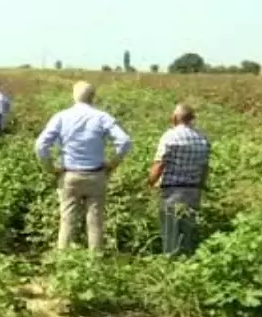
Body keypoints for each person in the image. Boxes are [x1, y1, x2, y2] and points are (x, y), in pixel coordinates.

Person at [35, 81, 133, 253]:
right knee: (95, 222)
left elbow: (40, 145)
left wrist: (50, 168)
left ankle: (64, 261)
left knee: (67, 221)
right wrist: (112, 164)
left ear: (73, 96)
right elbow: (124, 142)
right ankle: (94, 263)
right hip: (96, 175)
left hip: (70, 175)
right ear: (93, 97)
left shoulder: (61, 117)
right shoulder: (102, 117)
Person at [148, 104, 211, 256]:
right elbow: (204, 167)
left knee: (170, 231)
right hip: (193, 189)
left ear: (175, 118)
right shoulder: (202, 138)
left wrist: (150, 182)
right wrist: (200, 186)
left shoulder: (170, 136)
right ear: (192, 119)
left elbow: (160, 163)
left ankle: (171, 262)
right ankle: (187, 259)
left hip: (172, 190)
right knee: (188, 229)